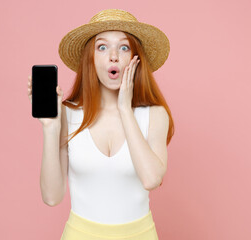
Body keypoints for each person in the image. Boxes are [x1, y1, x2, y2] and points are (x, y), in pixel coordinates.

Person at [28, 8, 174, 240]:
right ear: (91, 58)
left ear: (136, 59)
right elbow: (52, 197)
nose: (113, 56)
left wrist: (125, 109)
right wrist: (50, 127)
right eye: (102, 47)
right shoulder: (68, 114)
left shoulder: (155, 115)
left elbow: (151, 179)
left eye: (124, 47)